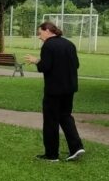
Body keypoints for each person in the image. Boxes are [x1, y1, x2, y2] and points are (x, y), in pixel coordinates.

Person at [23, 21, 85, 162]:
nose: (39, 37)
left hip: (54, 90)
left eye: (40, 33)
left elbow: (45, 67)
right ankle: (76, 147)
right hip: (69, 88)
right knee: (65, 116)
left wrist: (36, 61)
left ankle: (51, 154)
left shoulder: (48, 45)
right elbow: (76, 64)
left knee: (51, 121)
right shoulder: (69, 44)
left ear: (47, 31)